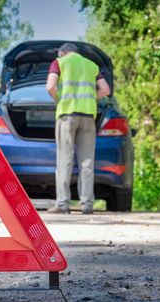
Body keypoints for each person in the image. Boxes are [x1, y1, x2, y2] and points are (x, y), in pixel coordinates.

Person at [45, 43, 111, 214]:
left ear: (62, 52)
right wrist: (90, 97)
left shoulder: (59, 62)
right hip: (88, 116)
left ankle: (62, 204)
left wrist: (59, 100)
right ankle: (87, 204)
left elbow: (50, 86)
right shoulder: (91, 65)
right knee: (87, 161)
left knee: (64, 159)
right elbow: (105, 90)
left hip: (67, 114)